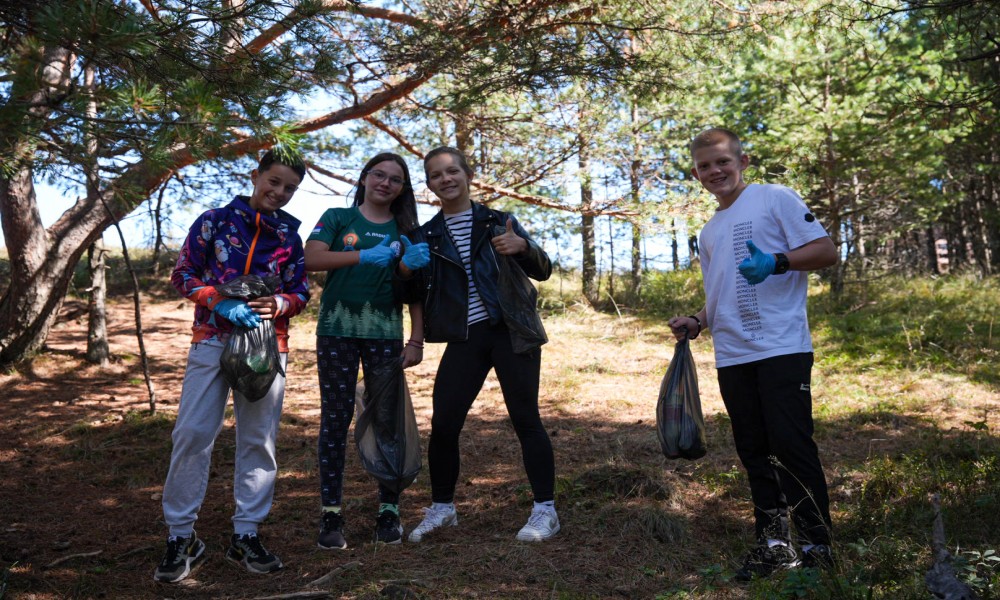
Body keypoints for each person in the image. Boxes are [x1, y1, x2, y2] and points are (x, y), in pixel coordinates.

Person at [668, 128, 837, 581]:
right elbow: (720, 289)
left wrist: (778, 262)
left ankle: (817, 546)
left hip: (782, 347)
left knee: (791, 446)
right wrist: (699, 320)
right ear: (696, 173)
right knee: (754, 451)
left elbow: (826, 250)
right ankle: (774, 544)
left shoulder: (773, 198)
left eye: (723, 161)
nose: (715, 171)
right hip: (733, 354)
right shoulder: (708, 231)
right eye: (705, 166)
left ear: (743, 161)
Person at [154, 149, 311, 583]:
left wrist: (279, 303)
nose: (279, 193)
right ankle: (181, 536)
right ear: (256, 175)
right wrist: (217, 300)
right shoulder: (213, 221)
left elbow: (300, 292)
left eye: (290, 189)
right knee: (192, 434)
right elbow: (183, 273)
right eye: (274, 181)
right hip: (211, 341)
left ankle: (246, 534)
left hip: (266, 348)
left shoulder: (289, 238)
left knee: (259, 441)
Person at [401, 146, 559, 543]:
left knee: (526, 419)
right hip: (465, 337)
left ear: (468, 174)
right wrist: (405, 267)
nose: (446, 179)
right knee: (444, 423)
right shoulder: (426, 235)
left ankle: (545, 510)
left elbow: (543, 270)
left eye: (452, 171)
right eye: (436, 175)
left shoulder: (497, 221)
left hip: (510, 330)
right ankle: (442, 508)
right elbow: (411, 291)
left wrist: (523, 248)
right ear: (429, 185)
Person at [303, 152, 430, 549]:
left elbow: (415, 293)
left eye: (395, 179)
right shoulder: (338, 217)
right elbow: (310, 259)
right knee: (335, 421)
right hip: (336, 333)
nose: (385, 183)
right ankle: (331, 515)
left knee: (386, 421)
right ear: (364, 177)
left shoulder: (406, 228)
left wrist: (416, 340)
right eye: (379, 174)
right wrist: (362, 255)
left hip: (385, 335)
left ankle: (388, 512)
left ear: (402, 189)